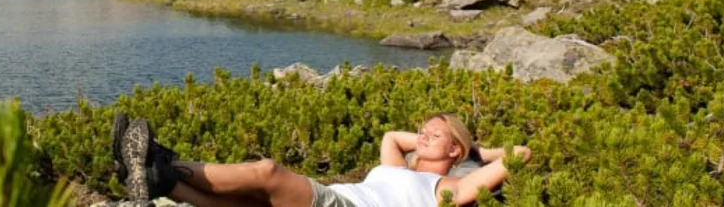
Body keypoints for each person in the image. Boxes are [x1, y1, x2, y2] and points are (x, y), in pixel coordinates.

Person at [113, 112, 531, 207]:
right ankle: (158, 181)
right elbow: (392, 135)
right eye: (421, 129)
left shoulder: (444, 188)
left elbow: (519, 155)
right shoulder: (395, 165)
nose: (421, 135)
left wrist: (476, 151)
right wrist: (435, 140)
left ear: (454, 150)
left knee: (267, 172)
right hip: (332, 196)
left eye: (434, 134)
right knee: (246, 203)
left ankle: (158, 160)